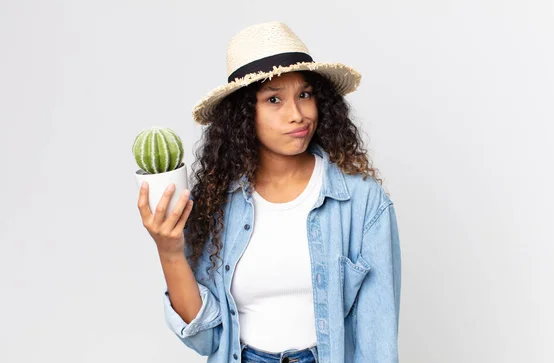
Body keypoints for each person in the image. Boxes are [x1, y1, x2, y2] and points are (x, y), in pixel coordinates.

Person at [137, 21, 402, 363]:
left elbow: (377, 339)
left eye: (305, 94)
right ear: (244, 116)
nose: (298, 114)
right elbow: (206, 340)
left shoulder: (363, 202)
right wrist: (170, 251)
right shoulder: (217, 202)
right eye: (274, 99)